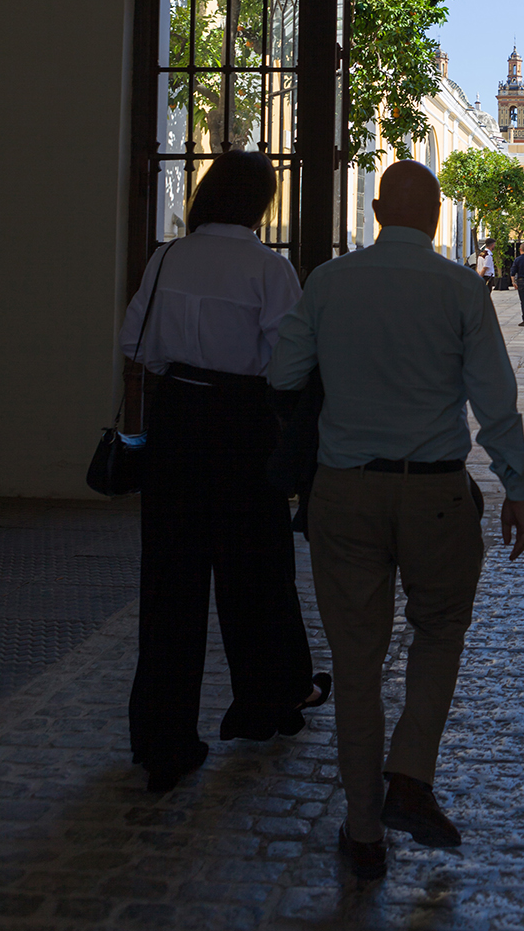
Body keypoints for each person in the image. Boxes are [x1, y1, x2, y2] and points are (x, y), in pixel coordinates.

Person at [268, 161, 524, 881]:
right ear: (438, 216)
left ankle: (362, 831)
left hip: (345, 491)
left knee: (356, 664)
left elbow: (283, 374)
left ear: (378, 210)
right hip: (436, 494)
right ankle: (411, 772)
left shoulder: (329, 282)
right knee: (439, 633)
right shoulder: (460, 288)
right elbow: (495, 398)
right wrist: (515, 485)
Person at [121, 151, 328, 794]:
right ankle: (268, 702)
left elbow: (134, 343)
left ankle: (163, 740)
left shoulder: (166, 258)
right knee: (257, 571)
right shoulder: (269, 268)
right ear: (261, 202)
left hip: (176, 421)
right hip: (243, 425)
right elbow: (288, 362)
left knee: (169, 582)